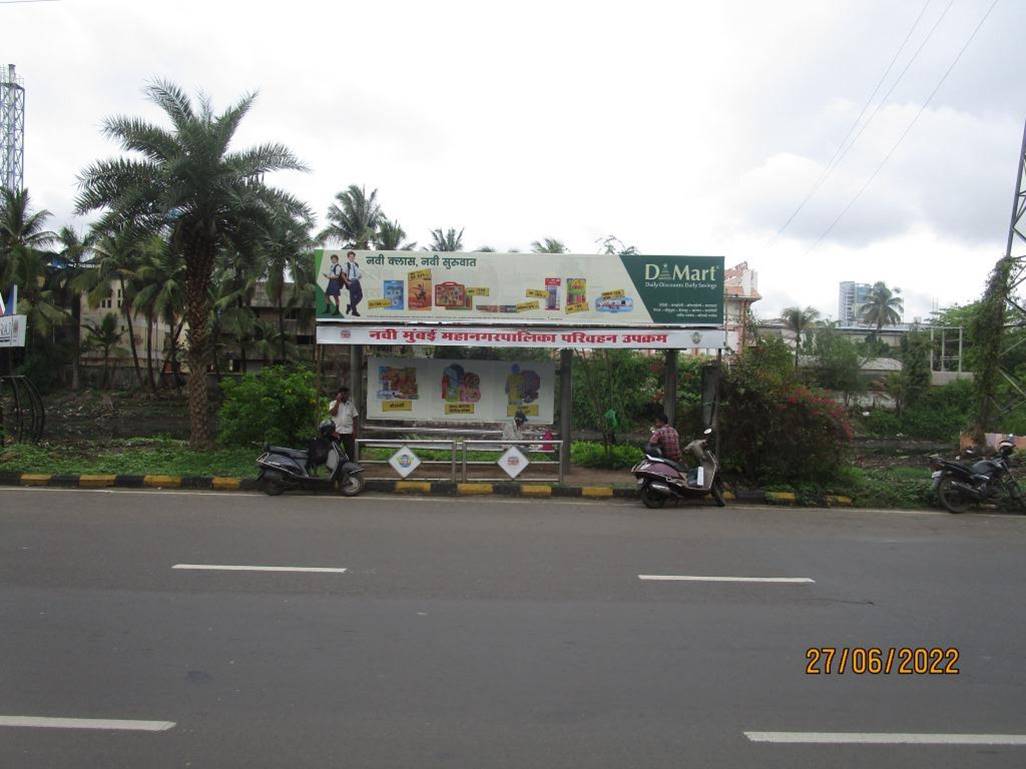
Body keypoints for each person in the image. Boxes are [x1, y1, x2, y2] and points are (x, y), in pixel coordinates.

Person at [329, 386, 359, 460]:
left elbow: (355, 417)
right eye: (343, 394)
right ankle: (334, 467)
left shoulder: (351, 405)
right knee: (334, 451)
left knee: (350, 451)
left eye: (346, 394)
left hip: (348, 431)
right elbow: (333, 413)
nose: (345, 396)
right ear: (339, 394)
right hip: (336, 431)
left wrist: (354, 430)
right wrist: (338, 402)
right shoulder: (333, 403)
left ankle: (350, 467)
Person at [343, 250, 363, 316]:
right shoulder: (346, 265)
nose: (352, 258)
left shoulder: (356, 264)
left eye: (353, 257)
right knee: (352, 297)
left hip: (357, 281)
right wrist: (347, 282)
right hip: (351, 282)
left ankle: (350, 306)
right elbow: (342, 274)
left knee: (360, 296)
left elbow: (358, 274)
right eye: (350, 257)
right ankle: (354, 311)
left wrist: (359, 276)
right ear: (348, 257)